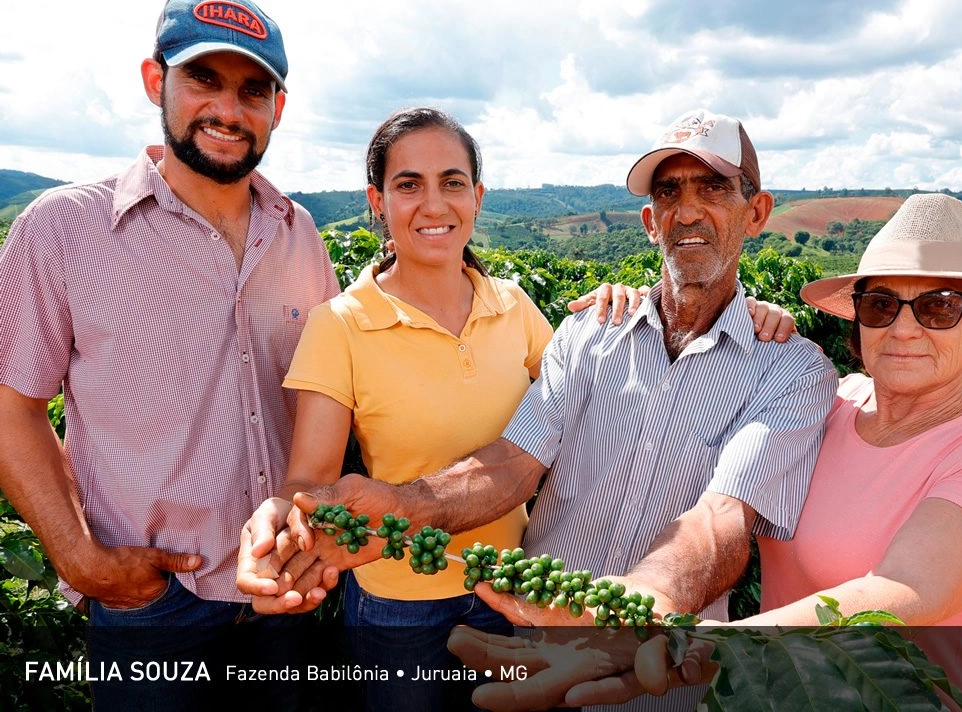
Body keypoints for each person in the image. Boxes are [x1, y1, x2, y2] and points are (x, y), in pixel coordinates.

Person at [243, 108, 837, 710]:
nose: (687, 210)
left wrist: (635, 606)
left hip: (655, 673)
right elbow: (515, 461)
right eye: (668, 192)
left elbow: (722, 520)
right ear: (649, 222)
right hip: (521, 637)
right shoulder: (588, 334)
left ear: (757, 212)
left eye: (713, 188)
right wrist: (403, 505)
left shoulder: (790, 369)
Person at [451, 193, 962, 712]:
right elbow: (725, 494)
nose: (902, 328)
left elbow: (901, 594)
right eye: (881, 304)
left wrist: (687, 644)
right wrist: (697, 310)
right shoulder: (830, 403)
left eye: (939, 307)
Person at [0, 0, 339, 708]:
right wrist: (82, 559)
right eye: (203, 81)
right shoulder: (62, 229)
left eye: (253, 90)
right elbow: (13, 410)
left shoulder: (299, 231)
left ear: (278, 107)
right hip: (153, 607)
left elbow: (333, 390)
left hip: (286, 596)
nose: (229, 108)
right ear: (157, 84)